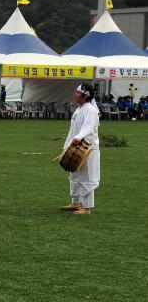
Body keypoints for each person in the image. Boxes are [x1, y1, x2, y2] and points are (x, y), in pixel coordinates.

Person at [61, 84, 100, 215]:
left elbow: (88, 127)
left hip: (87, 148)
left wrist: (78, 137)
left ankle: (87, 208)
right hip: (76, 146)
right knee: (74, 175)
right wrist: (67, 146)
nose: (75, 94)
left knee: (86, 177)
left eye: (78, 92)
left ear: (85, 95)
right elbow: (73, 130)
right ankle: (75, 202)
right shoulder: (79, 109)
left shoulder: (91, 110)